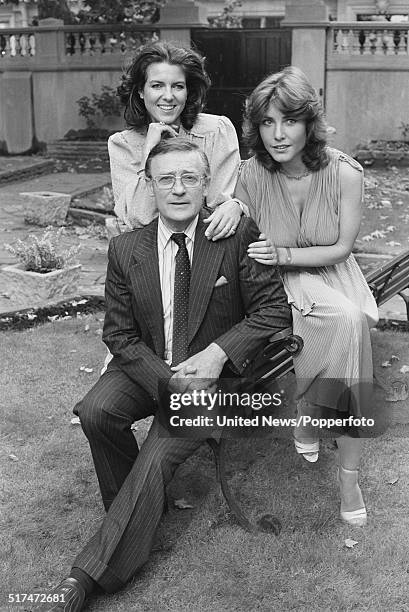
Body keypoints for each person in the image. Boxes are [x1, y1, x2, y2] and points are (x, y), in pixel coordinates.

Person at [37, 139, 290, 612]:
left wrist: (217, 356)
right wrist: (167, 380)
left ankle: (84, 578)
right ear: (149, 186)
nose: (178, 189)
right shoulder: (125, 249)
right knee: (96, 411)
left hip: (214, 379)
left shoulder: (235, 235)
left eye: (189, 178)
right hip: (149, 366)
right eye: (166, 179)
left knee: (155, 457)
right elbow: (120, 335)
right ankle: (135, 513)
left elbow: (274, 311)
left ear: (205, 184)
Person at [235, 66, 378, 528]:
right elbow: (241, 246)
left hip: (334, 275)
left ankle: (326, 438)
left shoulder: (344, 172)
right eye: (267, 123)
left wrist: (283, 251)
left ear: (308, 123)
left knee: (349, 319)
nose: (278, 134)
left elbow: (341, 248)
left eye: (289, 121)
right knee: (350, 325)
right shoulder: (250, 176)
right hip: (279, 284)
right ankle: (338, 457)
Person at [108, 40, 243, 240]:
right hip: (150, 253)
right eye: (157, 86)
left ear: (188, 92)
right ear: (140, 92)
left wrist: (236, 206)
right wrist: (149, 153)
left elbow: (219, 209)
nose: (168, 96)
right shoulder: (123, 145)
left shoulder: (217, 131)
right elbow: (137, 219)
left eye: (178, 86)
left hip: (207, 246)